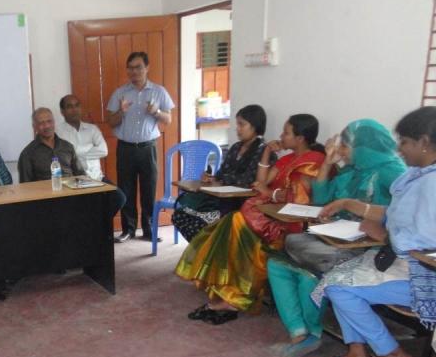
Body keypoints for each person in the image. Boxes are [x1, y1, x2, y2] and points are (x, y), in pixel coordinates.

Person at [312, 106, 436, 357]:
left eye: (404, 142)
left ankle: (391, 352)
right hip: (403, 263)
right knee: (336, 277)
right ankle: (358, 353)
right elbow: (395, 213)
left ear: (424, 142)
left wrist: (383, 236)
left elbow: (425, 239)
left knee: (339, 289)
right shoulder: (418, 175)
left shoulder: (431, 183)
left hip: (424, 277)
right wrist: (352, 205)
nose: (399, 149)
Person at [267, 119, 406, 357]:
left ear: (363, 148)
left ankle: (312, 333)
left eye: (345, 146)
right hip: (338, 238)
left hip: (368, 247)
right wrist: (327, 164)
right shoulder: (352, 171)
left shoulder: (392, 172)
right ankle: (298, 332)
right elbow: (321, 200)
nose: (340, 151)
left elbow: (403, 216)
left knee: (308, 272)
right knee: (276, 264)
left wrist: (370, 218)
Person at [176, 114, 326, 324]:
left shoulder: (313, 162)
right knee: (232, 222)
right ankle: (225, 291)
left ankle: (232, 298)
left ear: (300, 138)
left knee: (236, 223)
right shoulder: (286, 159)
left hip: (288, 225)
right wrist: (266, 153)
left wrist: (270, 193)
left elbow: (300, 200)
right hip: (268, 216)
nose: (281, 136)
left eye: (286, 132)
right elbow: (260, 183)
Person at [171, 104, 268, 241]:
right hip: (221, 199)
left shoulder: (263, 151)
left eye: (242, 124)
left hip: (239, 203)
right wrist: (211, 177)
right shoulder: (236, 147)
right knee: (180, 215)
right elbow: (222, 172)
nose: (237, 128)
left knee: (200, 221)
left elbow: (248, 180)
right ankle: (207, 249)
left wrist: (222, 179)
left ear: (255, 126)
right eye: (237, 124)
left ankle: (211, 248)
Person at [105, 51, 175, 243]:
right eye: (130, 68)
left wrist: (156, 111)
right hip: (125, 148)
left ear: (147, 68)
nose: (134, 71)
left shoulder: (159, 91)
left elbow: (168, 119)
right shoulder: (120, 93)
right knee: (126, 189)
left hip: (147, 148)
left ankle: (149, 229)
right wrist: (121, 111)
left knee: (148, 189)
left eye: (138, 67)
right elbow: (111, 121)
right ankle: (128, 229)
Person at [56, 94, 126, 215]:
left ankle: (100, 222)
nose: (74, 109)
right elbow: (63, 157)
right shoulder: (58, 132)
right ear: (62, 111)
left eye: (77, 105)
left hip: (96, 178)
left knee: (119, 198)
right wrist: (90, 148)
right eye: (69, 106)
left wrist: (77, 153)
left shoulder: (92, 129)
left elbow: (104, 151)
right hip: (73, 181)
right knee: (86, 207)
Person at [18, 107, 85, 182]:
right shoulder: (27, 153)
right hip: (44, 189)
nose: (47, 126)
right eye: (41, 123)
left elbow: (81, 175)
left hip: (71, 188)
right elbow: (25, 185)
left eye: (49, 121)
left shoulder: (68, 147)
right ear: (34, 127)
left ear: (54, 122)